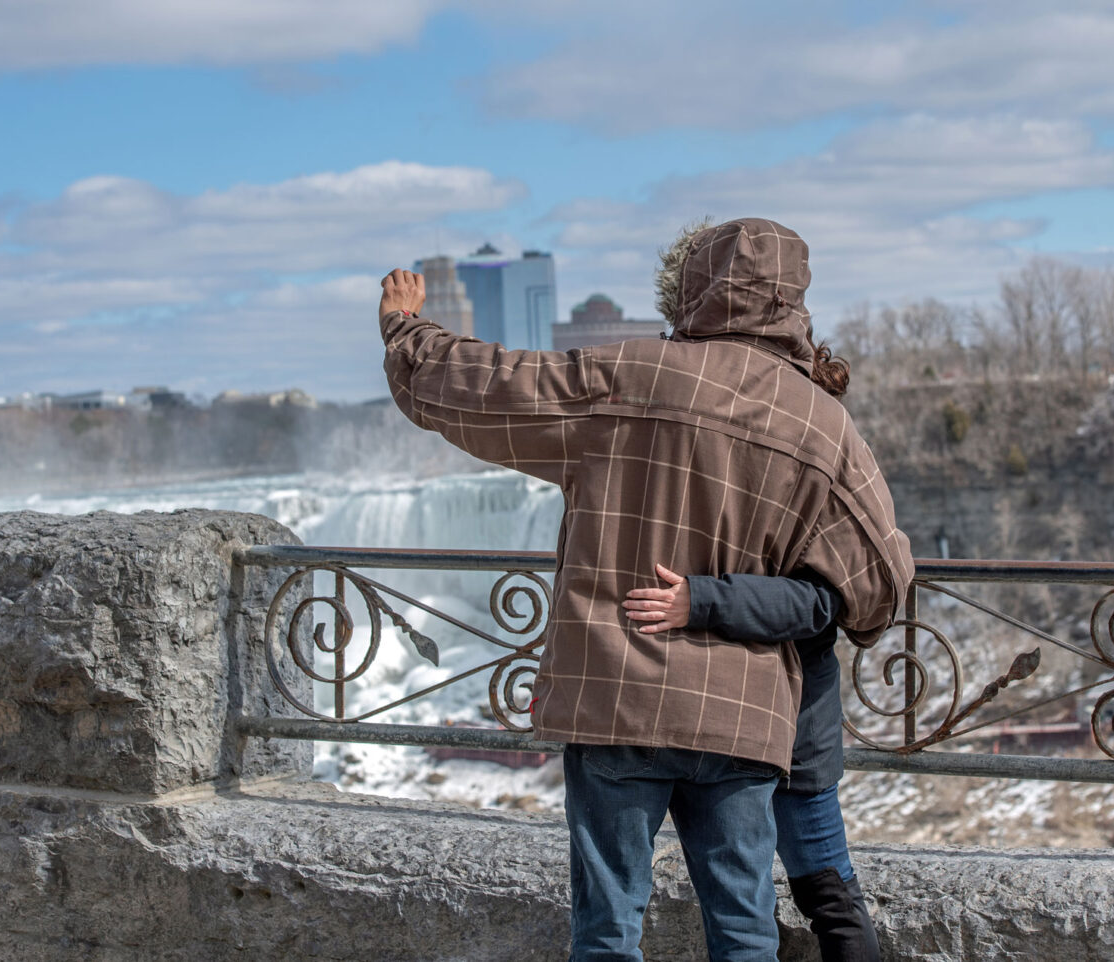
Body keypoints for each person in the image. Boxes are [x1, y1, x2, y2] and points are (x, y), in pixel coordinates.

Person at [379, 217, 912, 961]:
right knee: (745, 934)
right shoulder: (824, 427)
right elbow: (882, 586)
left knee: (607, 932)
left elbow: (487, 389)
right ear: (795, 298)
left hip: (617, 696)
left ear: (692, 285)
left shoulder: (628, 373)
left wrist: (408, 331)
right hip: (741, 715)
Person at [623, 564, 879, 961]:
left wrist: (706, 600)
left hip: (795, 728)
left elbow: (826, 601)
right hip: (713, 729)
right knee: (740, 909)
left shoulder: (825, 506)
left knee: (828, 896)